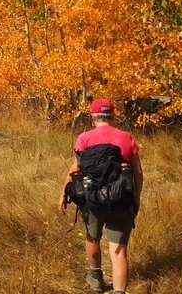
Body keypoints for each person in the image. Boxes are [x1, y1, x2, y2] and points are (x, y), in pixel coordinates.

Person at [58, 98, 143, 294]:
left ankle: (96, 279)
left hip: (92, 199)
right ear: (113, 116)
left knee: (92, 238)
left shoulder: (84, 138)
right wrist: (135, 199)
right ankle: (119, 292)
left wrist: (63, 193)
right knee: (119, 251)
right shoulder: (126, 137)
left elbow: (75, 169)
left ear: (92, 117)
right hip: (121, 199)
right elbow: (138, 173)